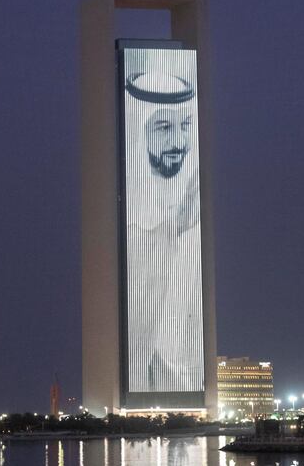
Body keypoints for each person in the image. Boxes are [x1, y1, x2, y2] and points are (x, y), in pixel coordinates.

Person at [122, 53, 205, 394]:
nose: (178, 143)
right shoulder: (133, 225)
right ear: (139, 132)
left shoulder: (194, 202)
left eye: (185, 126)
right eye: (162, 127)